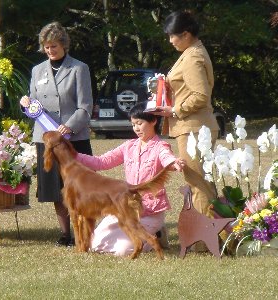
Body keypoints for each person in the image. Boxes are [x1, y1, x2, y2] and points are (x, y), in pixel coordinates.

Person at [75, 102, 185, 256]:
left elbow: (167, 158)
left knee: (122, 251)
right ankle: (154, 235)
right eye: (133, 124)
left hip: (150, 212)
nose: (136, 128)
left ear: (153, 121)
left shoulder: (161, 146)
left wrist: (174, 163)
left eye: (140, 123)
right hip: (125, 209)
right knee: (95, 244)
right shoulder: (128, 146)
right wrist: (73, 155)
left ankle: (155, 237)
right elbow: (101, 162)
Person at [20, 22, 93, 247]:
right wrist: (25, 104)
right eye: (46, 47)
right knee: (56, 190)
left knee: (79, 189)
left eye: (54, 46)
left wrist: (69, 126)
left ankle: (85, 233)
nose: (50, 50)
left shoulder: (79, 69)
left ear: (64, 45)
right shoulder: (37, 70)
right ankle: (65, 234)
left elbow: (85, 106)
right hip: (47, 139)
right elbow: (34, 105)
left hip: (73, 139)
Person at [153, 11, 220, 251]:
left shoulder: (192, 57)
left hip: (194, 128)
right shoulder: (190, 53)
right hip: (193, 126)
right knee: (200, 181)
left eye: (173, 36)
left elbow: (201, 95)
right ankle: (213, 236)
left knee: (197, 182)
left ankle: (207, 240)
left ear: (186, 34)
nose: (170, 40)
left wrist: (174, 110)